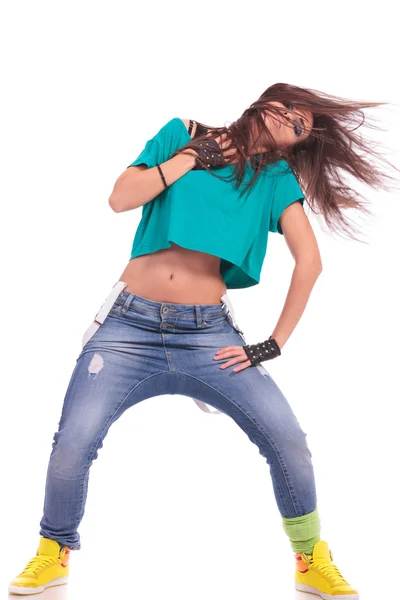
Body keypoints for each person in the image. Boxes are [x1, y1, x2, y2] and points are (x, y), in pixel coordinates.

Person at [8, 82, 395, 598]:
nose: (288, 123)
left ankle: (310, 559)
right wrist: (190, 157)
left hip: (207, 336)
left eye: (300, 129)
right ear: (264, 101)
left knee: (289, 443)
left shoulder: (275, 179)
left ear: (293, 149)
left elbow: (311, 261)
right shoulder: (181, 133)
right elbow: (120, 198)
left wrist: (270, 345)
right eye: (287, 110)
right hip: (128, 328)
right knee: (73, 442)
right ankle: (52, 552)